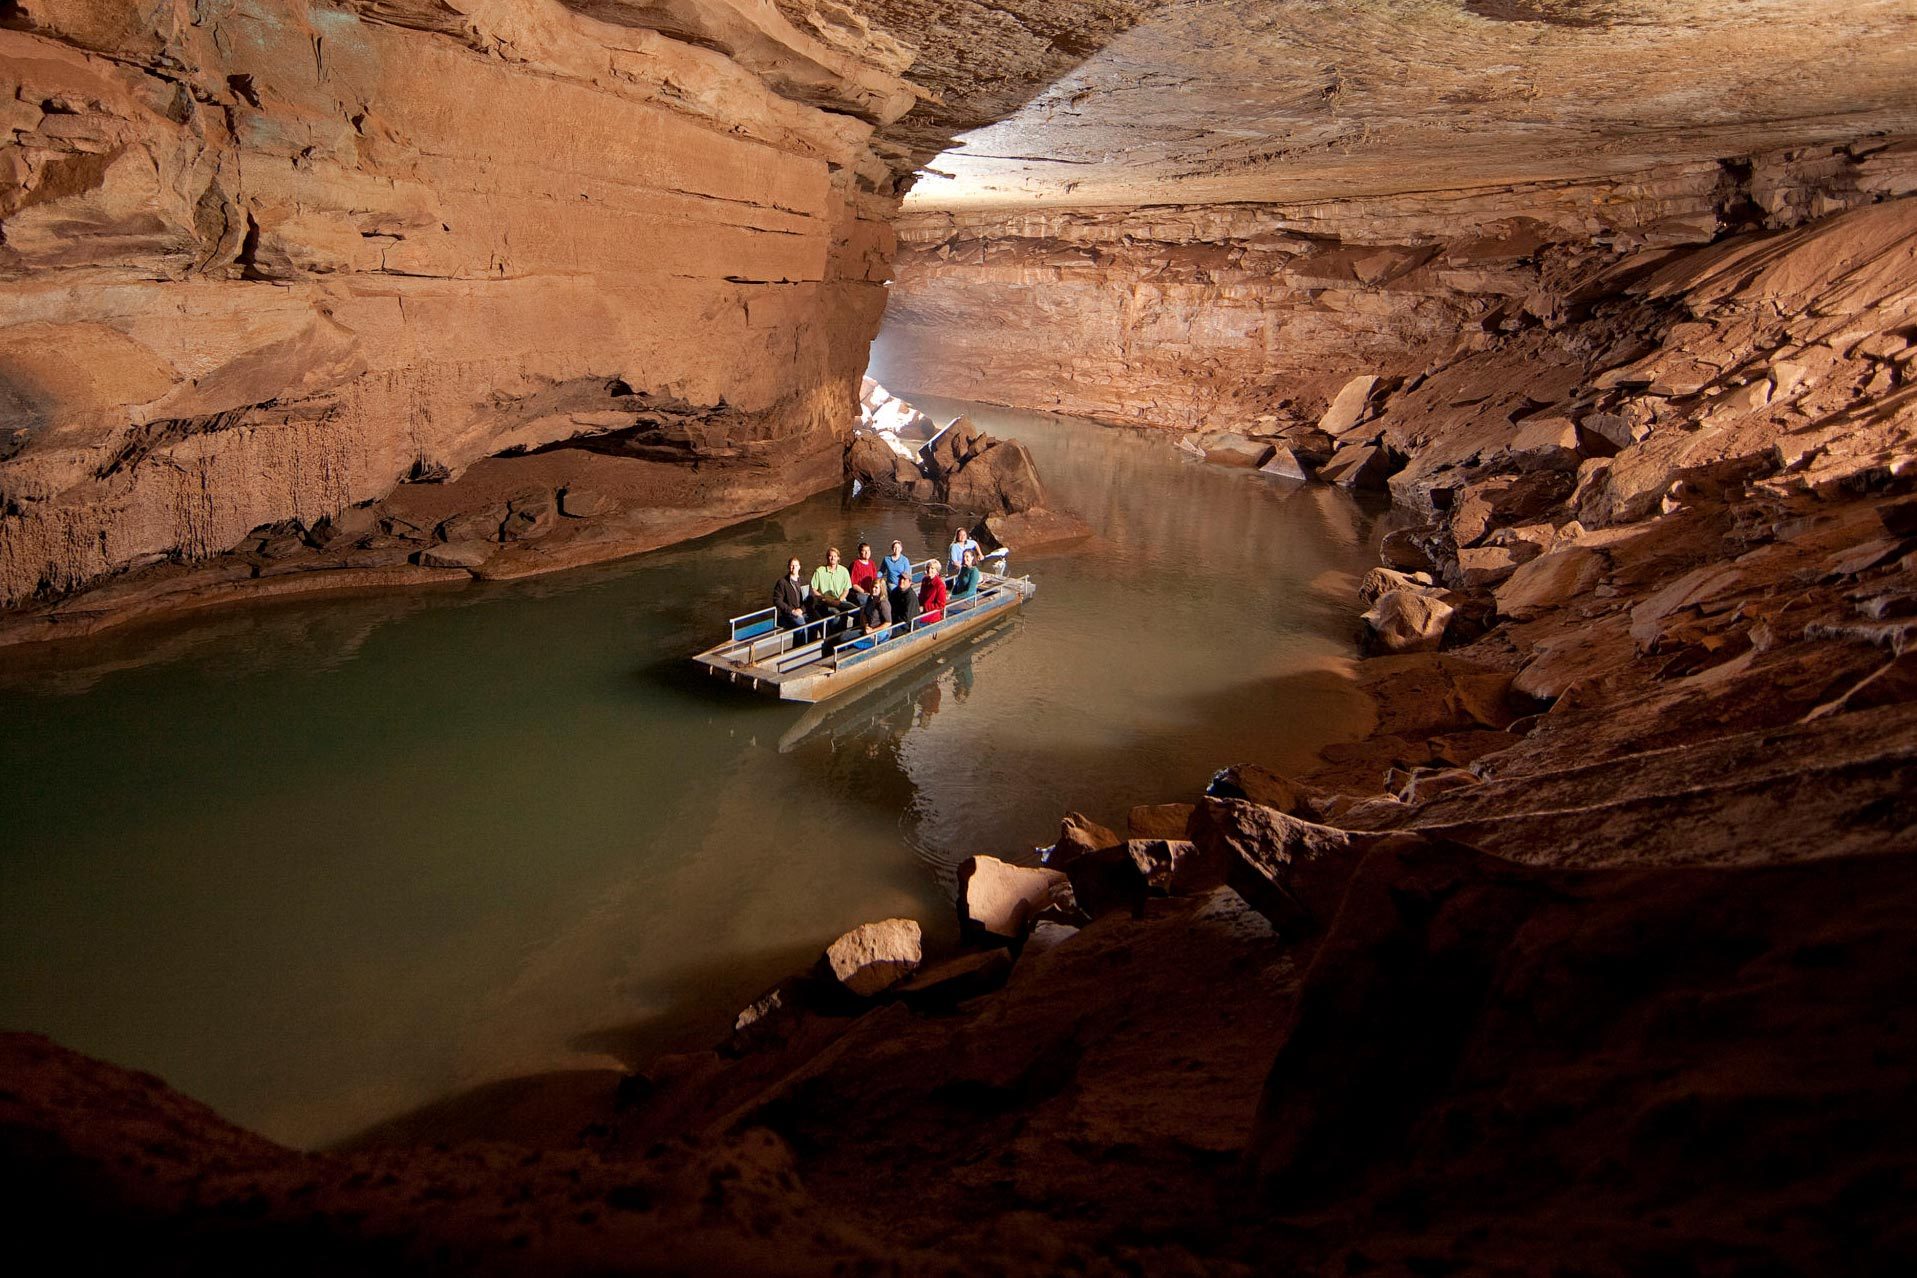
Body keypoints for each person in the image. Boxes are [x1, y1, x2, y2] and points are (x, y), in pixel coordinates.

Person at [807, 546, 855, 625]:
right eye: (830, 556)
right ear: (827, 557)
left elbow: (846, 589)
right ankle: (835, 632)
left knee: (857, 610)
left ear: (838, 558)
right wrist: (824, 598)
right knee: (837, 615)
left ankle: (855, 630)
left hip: (840, 600)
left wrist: (840, 600)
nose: (833, 558)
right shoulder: (819, 571)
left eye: (835, 556)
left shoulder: (844, 571)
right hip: (825, 602)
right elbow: (813, 589)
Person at [849, 541, 891, 622]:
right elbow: (854, 584)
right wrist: (865, 592)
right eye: (864, 551)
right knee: (866, 601)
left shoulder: (871, 563)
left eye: (868, 550)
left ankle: (883, 619)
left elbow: (876, 580)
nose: (867, 553)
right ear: (860, 552)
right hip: (860, 592)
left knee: (885, 597)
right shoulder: (855, 564)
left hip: (873, 590)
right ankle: (866, 621)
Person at [771, 556, 807, 631]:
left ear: (799, 567)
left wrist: (801, 609)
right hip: (789, 613)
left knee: (819, 620)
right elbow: (777, 600)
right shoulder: (782, 582)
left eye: (796, 565)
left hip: (803, 611)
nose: (794, 567)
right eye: (792, 565)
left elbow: (809, 598)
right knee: (801, 624)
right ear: (788, 567)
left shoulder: (804, 581)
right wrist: (792, 611)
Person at [917, 556, 948, 625]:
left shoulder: (940, 585)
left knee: (915, 621)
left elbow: (941, 605)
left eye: (932, 568)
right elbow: (921, 595)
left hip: (932, 613)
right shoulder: (925, 580)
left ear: (937, 571)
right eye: (928, 567)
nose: (929, 570)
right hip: (921, 609)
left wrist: (924, 608)